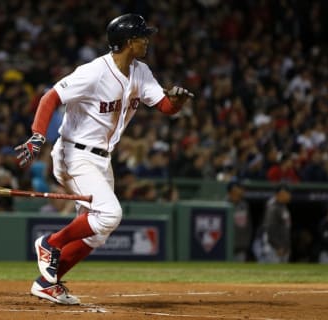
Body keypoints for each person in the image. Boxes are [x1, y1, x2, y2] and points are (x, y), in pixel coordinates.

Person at [14, 13, 193, 305]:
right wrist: (37, 136)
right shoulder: (94, 71)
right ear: (126, 42)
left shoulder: (141, 71)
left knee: (97, 234)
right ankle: (50, 244)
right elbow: (51, 97)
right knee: (110, 213)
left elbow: (163, 106)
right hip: (74, 155)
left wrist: (177, 102)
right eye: (141, 36)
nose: (146, 40)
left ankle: (47, 282)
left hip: (101, 159)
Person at [253, 183, 292, 263]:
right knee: (272, 271)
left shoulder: (282, 206)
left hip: (280, 247)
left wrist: (285, 246)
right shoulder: (272, 207)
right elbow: (270, 228)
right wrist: (277, 246)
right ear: (281, 193)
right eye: (287, 193)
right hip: (271, 247)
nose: (289, 196)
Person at [226, 179, 252, 262]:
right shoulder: (224, 204)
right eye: (238, 188)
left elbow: (248, 226)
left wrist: (246, 242)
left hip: (241, 246)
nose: (241, 191)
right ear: (232, 190)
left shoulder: (244, 205)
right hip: (226, 247)